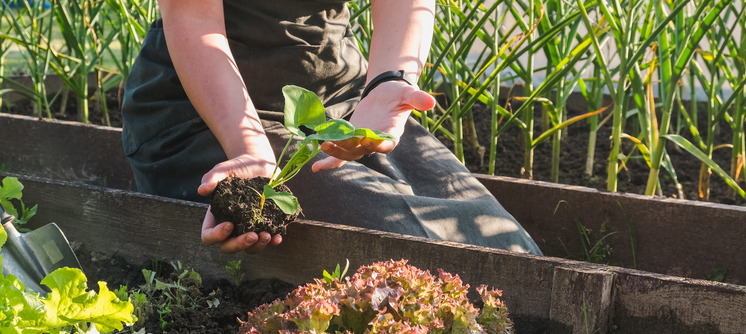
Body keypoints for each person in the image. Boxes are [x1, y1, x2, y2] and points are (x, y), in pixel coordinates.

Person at [122, 0, 542, 256]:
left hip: (341, 100)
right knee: (416, 254)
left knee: (508, 248)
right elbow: (193, 19)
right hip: (210, 111)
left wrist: (386, 83)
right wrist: (248, 147)